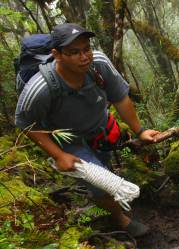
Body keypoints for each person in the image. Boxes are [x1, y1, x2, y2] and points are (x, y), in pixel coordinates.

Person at [15, 23, 159, 237]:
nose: (84, 57)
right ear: (57, 55)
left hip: (99, 126)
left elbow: (120, 98)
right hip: (68, 141)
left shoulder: (98, 63)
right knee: (99, 183)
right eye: (74, 52)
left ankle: (102, 198)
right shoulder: (41, 88)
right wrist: (59, 155)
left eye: (86, 49)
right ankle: (121, 220)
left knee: (105, 167)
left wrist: (140, 131)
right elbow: (26, 124)